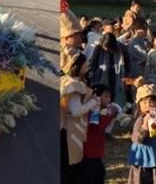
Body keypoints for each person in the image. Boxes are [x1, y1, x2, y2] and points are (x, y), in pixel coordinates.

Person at [61, 10, 99, 184]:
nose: (80, 39)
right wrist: (93, 101)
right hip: (69, 130)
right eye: (77, 35)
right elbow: (75, 110)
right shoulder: (72, 82)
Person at [127, 79, 156, 184]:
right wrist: (144, 127)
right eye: (144, 102)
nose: (148, 105)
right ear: (139, 104)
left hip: (153, 156)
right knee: (140, 180)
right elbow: (135, 139)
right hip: (141, 159)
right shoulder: (140, 119)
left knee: (154, 178)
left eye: (151, 102)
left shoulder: (155, 117)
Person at [82, 85, 119, 184]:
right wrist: (110, 116)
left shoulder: (99, 111)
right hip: (90, 153)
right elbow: (97, 129)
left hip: (95, 153)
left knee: (99, 175)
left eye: (109, 96)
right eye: (106, 96)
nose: (109, 99)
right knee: (92, 177)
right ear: (97, 97)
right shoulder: (94, 111)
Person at [87, 33, 127, 108]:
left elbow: (127, 63)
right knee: (103, 96)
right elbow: (93, 63)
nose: (105, 49)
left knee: (115, 95)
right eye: (104, 47)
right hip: (101, 76)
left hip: (116, 76)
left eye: (107, 47)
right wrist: (91, 78)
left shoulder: (121, 48)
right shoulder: (99, 48)